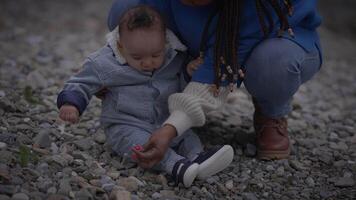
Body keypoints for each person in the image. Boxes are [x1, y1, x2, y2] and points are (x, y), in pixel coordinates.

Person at [107, 0, 322, 167]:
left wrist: (171, 128)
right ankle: (158, 87)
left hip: (270, 35)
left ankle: (271, 112)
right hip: (200, 33)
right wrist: (112, 73)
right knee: (127, 12)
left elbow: (219, 65)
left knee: (273, 63)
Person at [57, 5, 234, 187]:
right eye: (137, 57)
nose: (148, 62)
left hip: (165, 121)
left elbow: (183, 89)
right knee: (139, 145)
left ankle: (198, 158)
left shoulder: (174, 57)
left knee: (186, 135)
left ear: (165, 42)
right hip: (127, 123)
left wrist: (188, 72)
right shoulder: (104, 63)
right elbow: (81, 81)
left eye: (155, 54)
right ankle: (175, 165)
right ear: (121, 46)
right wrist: (71, 103)